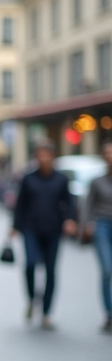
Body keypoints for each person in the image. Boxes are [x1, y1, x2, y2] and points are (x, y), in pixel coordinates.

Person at [12, 141, 78, 330]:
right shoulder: (28, 179)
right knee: (31, 264)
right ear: (36, 157)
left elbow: (69, 202)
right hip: (30, 229)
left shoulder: (61, 179)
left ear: (53, 157)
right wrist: (15, 226)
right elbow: (20, 204)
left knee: (50, 270)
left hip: (53, 230)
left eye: (47, 155)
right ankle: (32, 299)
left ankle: (47, 313)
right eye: (40, 155)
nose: (43, 159)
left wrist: (69, 219)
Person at [84, 141, 112, 332]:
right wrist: (86, 225)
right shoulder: (97, 181)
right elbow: (88, 205)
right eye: (107, 153)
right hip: (102, 224)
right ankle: (109, 314)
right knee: (107, 270)